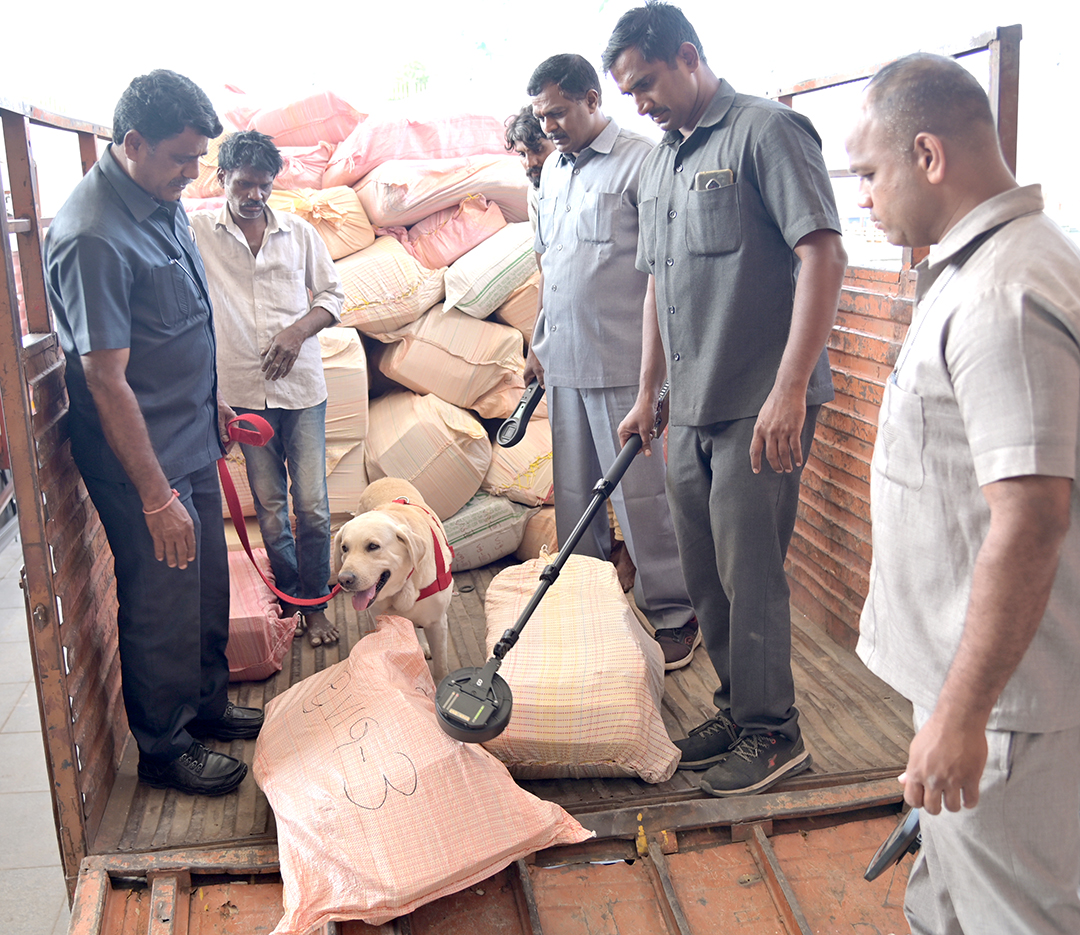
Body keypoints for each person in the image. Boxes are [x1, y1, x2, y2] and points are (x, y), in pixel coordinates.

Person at [846, 52, 1080, 935]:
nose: (863, 196)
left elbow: (1029, 520)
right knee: (947, 894)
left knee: (1016, 914)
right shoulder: (988, 268)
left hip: (1003, 706)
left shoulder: (1002, 297)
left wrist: (963, 716)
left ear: (928, 156)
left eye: (869, 173)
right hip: (974, 686)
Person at [605, 2, 847, 795]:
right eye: (628, 93)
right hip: (693, 404)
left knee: (752, 577)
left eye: (646, 84)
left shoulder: (766, 131)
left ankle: (775, 734)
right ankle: (739, 706)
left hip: (758, 405)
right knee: (705, 576)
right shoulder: (663, 160)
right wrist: (648, 393)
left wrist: (788, 389)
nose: (640, 103)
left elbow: (822, 253)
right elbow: (655, 286)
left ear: (687, 55)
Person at [45, 70, 263, 797]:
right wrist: (152, 496)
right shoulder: (94, 236)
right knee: (160, 598)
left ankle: (203, 703)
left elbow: (180, 324)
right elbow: (107, 380)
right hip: (143, 458)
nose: (193, 173)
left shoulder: (158, 198)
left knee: (204, 585)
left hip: (190, 431)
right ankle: (166, 746)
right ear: (132, 143)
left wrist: (215, 405)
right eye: (181, 158)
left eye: (201, 157)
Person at [525, 52, 700, 666]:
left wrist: (657, 381)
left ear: (593, 98)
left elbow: (663, 273)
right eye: (541, 115)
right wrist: (538, 345)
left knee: (642, 500)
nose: (548, 125)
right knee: (576, 497)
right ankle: (590, 606)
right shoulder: (552, 173)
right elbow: (551, 267)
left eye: (558, 111)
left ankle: (675, 613)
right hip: (566, 364)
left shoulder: (642, 161)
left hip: (627, 369)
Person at [190, 131, 344, 648]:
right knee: (271, 508)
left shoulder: (298, 233)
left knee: (315, 506)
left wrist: (297, 331)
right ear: (222, 179)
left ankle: (316, 604)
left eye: (264, 185)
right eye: (244, 184)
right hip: (242, 392)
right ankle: (289, 600)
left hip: (302, 392)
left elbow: (332, 296)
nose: (255, 195)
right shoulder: (196, 234)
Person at [503, 106, 557, 231]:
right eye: (522, 154)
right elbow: (541, 248)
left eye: (538, 150)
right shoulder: (535, 193)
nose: (530, 163)